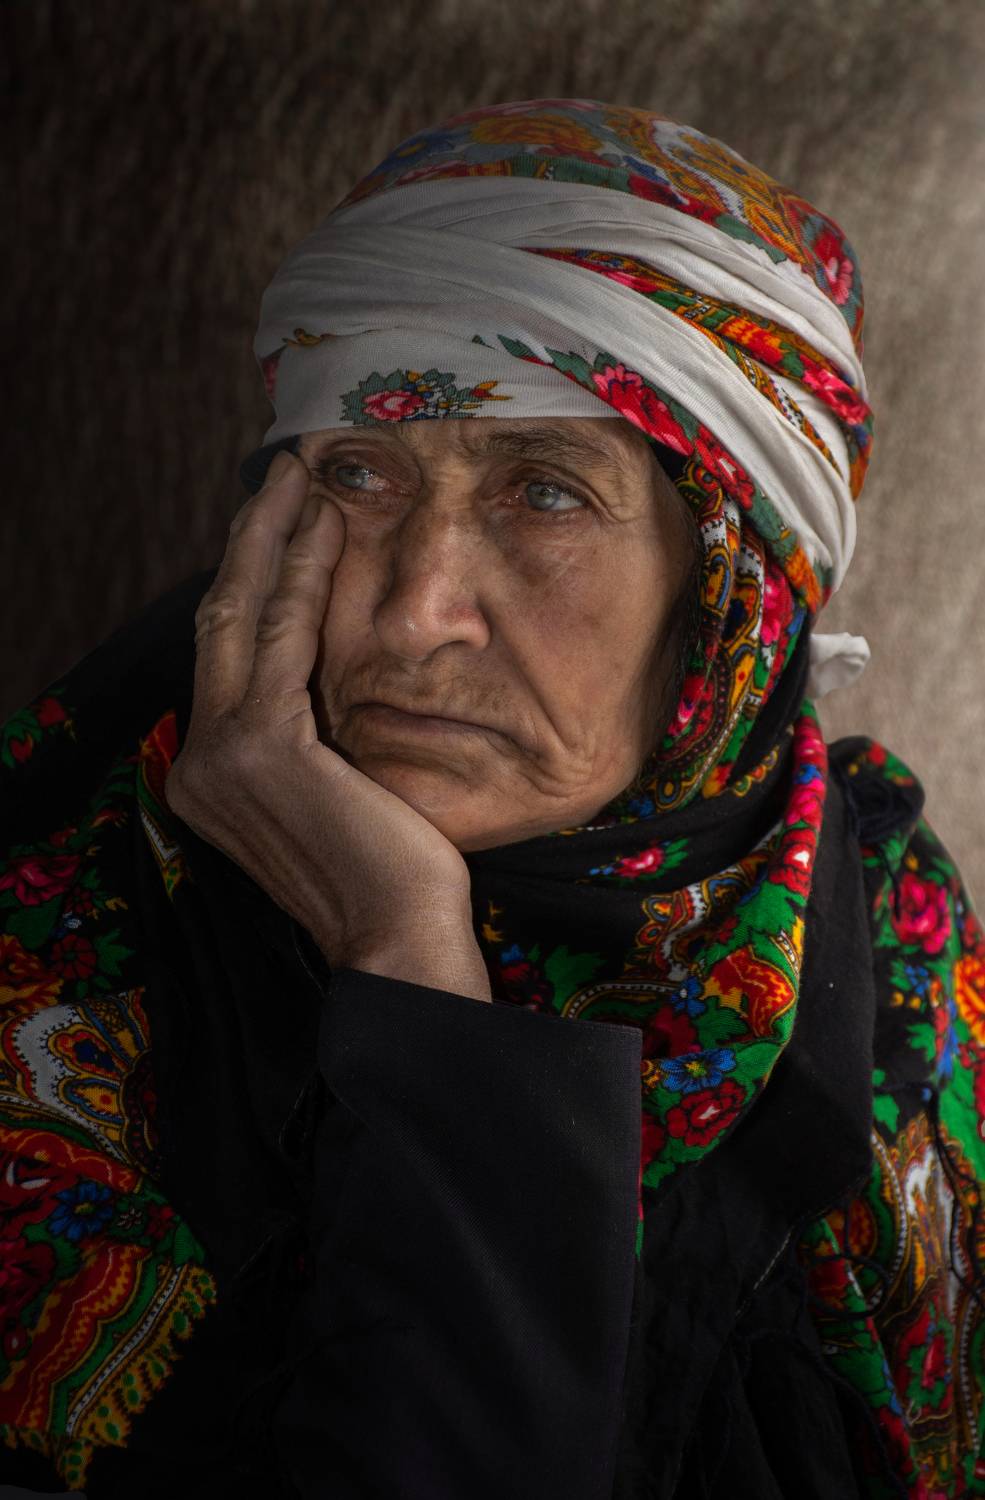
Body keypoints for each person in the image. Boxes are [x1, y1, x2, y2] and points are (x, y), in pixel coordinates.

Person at [0, 98, 982, 1500]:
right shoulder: (67, 957)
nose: (411, 615)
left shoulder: (878, 924)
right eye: (356, 474)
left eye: (543, 493)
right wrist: (410, 957)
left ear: (727, 598)